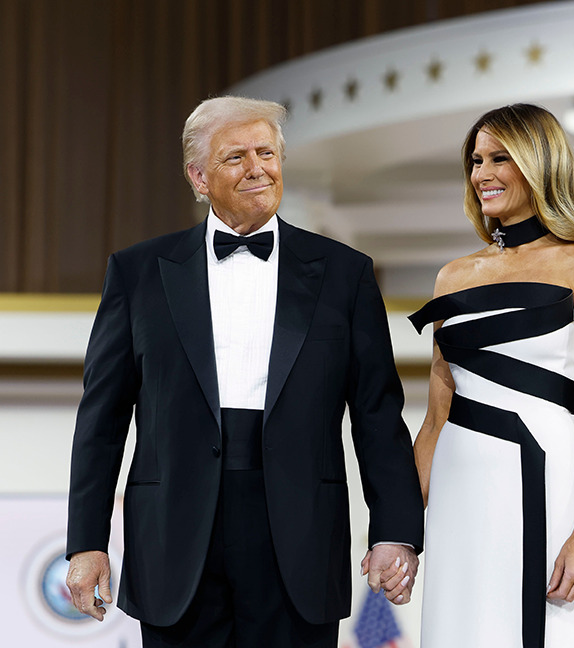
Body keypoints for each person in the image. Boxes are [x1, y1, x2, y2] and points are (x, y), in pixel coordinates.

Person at [65, 96, 424, 648]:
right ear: (198, 176)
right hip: (176, 537)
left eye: (267, 152)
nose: (258, 168)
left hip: (300, 532)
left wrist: (395, 530)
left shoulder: (344, 273)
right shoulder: (137, 273)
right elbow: (102, 418)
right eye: (236, 156)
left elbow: (377, 413)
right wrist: (86, 542)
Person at [410, 104, 574, 647]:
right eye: (476, 160)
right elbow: (435, 419)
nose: (483, 173)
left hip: (544, 478)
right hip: (459, 491)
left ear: (539, 163)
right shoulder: (452, 276)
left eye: (500, 158)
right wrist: (402, 533)